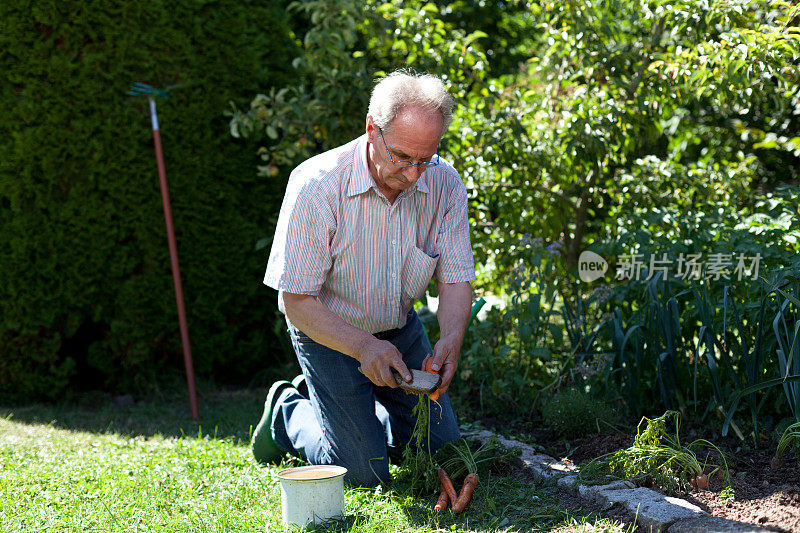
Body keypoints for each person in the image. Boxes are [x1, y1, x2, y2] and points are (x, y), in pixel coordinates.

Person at [252, 70, 475, 487]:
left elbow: (456, 279)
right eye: (402, 158)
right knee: (362, 473)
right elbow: (295, 301)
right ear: (372, 129)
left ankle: (360, 420)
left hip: (401, 331)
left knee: (443, 451)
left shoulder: (445, 184)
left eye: (425, 160)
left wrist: (450, 340)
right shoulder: (316, 188)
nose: (413, 174)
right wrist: (362, 345)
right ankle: (288, 412)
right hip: (330, 334)